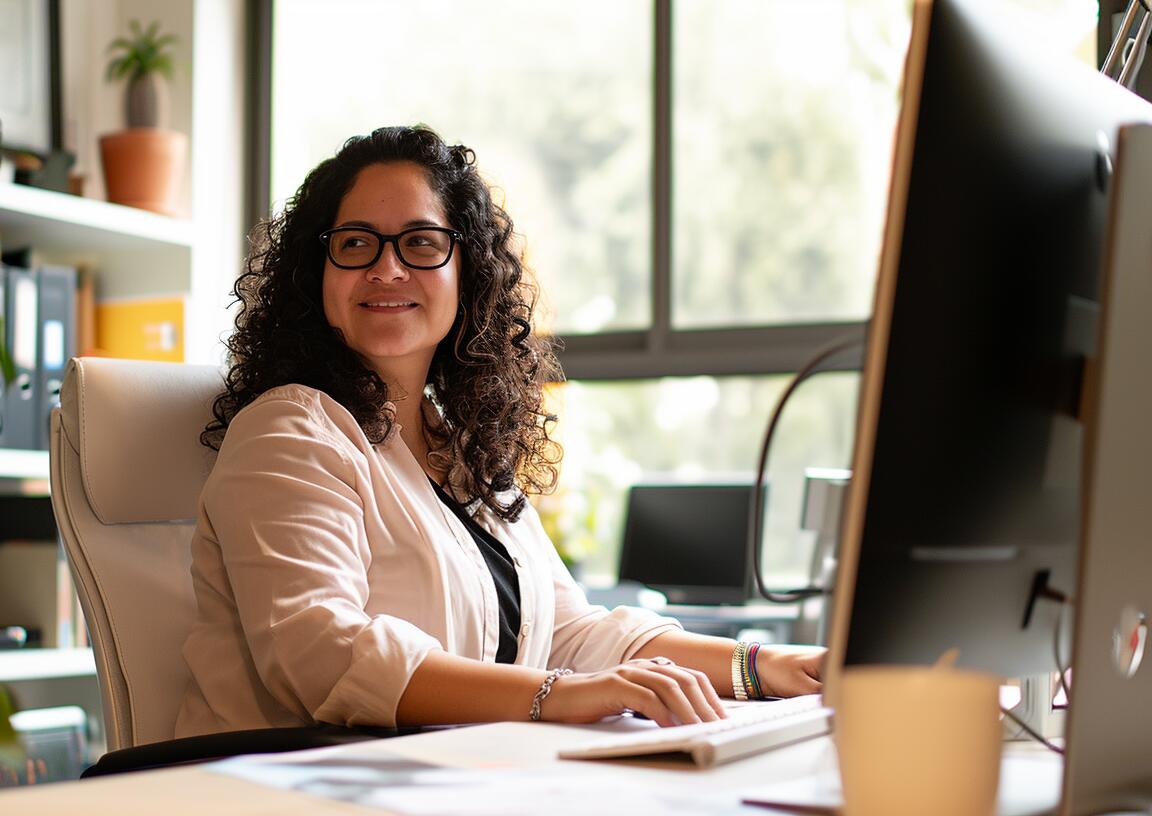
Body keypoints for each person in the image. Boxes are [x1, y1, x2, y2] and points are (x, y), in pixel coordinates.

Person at [176, 125, 824, 740]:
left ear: (468, 273)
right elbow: (319, 650)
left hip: (449, 779)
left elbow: (572, 634)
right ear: (315, 275)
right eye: (354, 243)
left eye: (422, 243)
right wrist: (558, 697)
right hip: (293, 786)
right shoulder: (289, 430)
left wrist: (762, 666)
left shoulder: (460, 448)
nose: (387, 268)